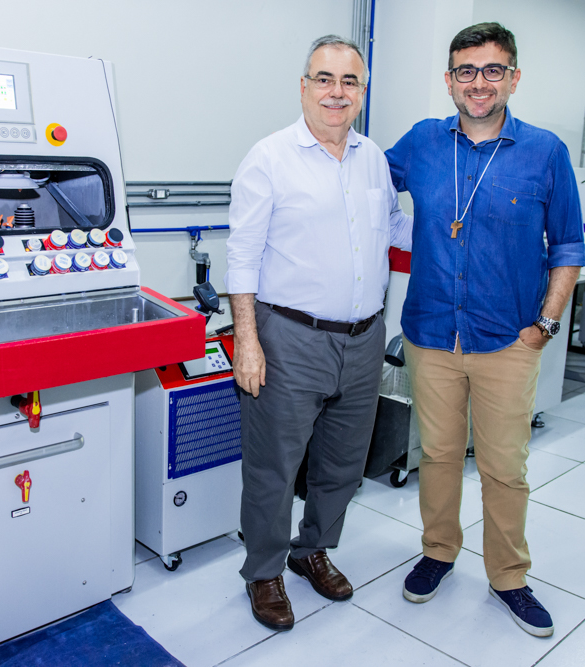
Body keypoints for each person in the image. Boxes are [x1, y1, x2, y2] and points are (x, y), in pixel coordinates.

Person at [384, 22, 585, 637]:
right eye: (466, 71)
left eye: (493, 70)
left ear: (513, 78)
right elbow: (357, 186)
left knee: (503, 466)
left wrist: (545, 324)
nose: (479, 83)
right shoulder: (421, 142)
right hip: (430, 334)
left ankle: (509, 576)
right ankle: (438, 551)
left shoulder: (545, 152)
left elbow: (568, 247)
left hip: (508, 339)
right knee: (439, 455)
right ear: (449, 80)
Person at [225, 34, 412, 632]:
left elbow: (395, 231)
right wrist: (247, 342)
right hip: (290, 338)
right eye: (324, 79)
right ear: (303, 87)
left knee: (343, 462)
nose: (337, 92)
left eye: (349, 81)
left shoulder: (373, 158)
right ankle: (264, 571)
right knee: (275, 467)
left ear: (362, 92)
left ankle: (312, 549)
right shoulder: (269, 158)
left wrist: (459, 230)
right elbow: (242, 258)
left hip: (363, 337)